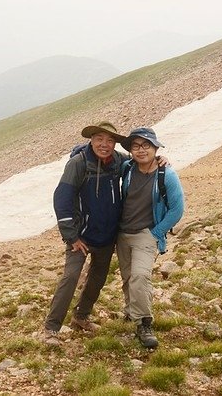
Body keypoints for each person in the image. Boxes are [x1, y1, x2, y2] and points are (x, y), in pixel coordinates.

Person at [41, 121, 129, 346]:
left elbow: (138, 163)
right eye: (99, 139)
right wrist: (71, 236)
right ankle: (51, 328)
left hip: (107, 235)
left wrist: (159, 160)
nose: (104, 144)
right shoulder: (78, 164)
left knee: (97, 279)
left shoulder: (118, 161)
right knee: (70, 277)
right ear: (91, 140)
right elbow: (62, 200)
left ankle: (81, 317)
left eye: (110, 140)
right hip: (81, 236)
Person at [117, 127, 185, 348]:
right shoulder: (127, 168)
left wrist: (156, 233)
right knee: (128, 277)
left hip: (146, 234)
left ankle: (144, 323)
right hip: (122, 232)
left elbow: (177, 209)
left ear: (156, 148)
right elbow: (104, 157)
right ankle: (130, 311)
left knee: (139, 276)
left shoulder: (167, 174)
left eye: (146, 145)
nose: (141, 150)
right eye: (136, 146)